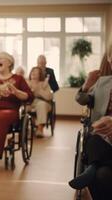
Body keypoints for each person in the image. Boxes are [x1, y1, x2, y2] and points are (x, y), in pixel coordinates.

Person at [70, 45, 112, 200]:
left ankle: (93, 167)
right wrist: (87, 85)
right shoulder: (102, 82)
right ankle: (94, 167)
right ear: (108, 58)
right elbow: (83, 100)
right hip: (101, 136)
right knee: (93, 137)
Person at [27, 67, 53, 138]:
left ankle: (40, 129)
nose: (33, 73)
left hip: (43, 102)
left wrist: (39, 90)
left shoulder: (44, 84)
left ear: (40, 75)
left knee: (41, 105)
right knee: (22, 107)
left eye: (36, 72)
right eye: (32, 71)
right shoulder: (27, 83)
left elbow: (49, 97)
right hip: (30, 103)